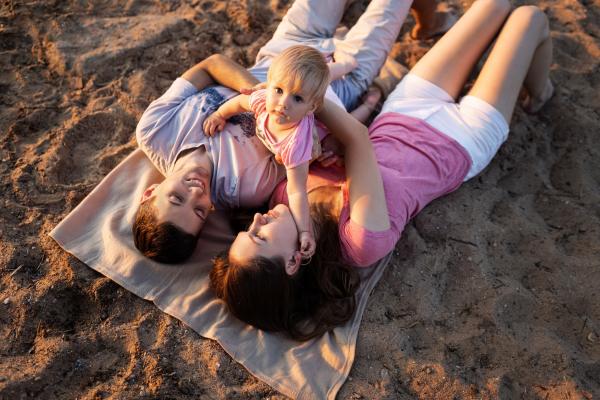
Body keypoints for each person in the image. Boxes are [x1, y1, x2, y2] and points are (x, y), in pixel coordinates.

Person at [210, 0, 554, 340]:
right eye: (258, 236)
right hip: (460, 139)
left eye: (248, 229)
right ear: (292, 262)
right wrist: (304, 95)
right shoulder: (359, 243)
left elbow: (333, 143)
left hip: (401, 113)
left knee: (495, 5)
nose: (257, 219)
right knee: (528, 17)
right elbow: (358, 140)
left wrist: (323, 137)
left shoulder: (282, 196)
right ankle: (541, 94)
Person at [133, 0, 451, 263]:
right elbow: (301, 157)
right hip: (337, 87)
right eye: (200, 210)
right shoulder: (245, 189)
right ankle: (429, 17)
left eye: (176, 198)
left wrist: (268, 94)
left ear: (150, 192)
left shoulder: (155, 131)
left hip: (285, 54)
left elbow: (212, 65)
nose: (196, 192)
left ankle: (429, 17)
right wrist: (311, 128)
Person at [203, 45, 359, 260]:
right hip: (307, 91)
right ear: (270, 86)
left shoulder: (295, 145)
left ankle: (348, 64)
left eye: (297, 99)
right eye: (278, 90)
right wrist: (220, 115)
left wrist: (304, 231)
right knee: (314, 79)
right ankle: (329, 65)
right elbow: (239, 103)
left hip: (325, 121)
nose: (283, 103)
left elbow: (296, 191)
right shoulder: (263, 101)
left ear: (311, 108)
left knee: (334, 97)